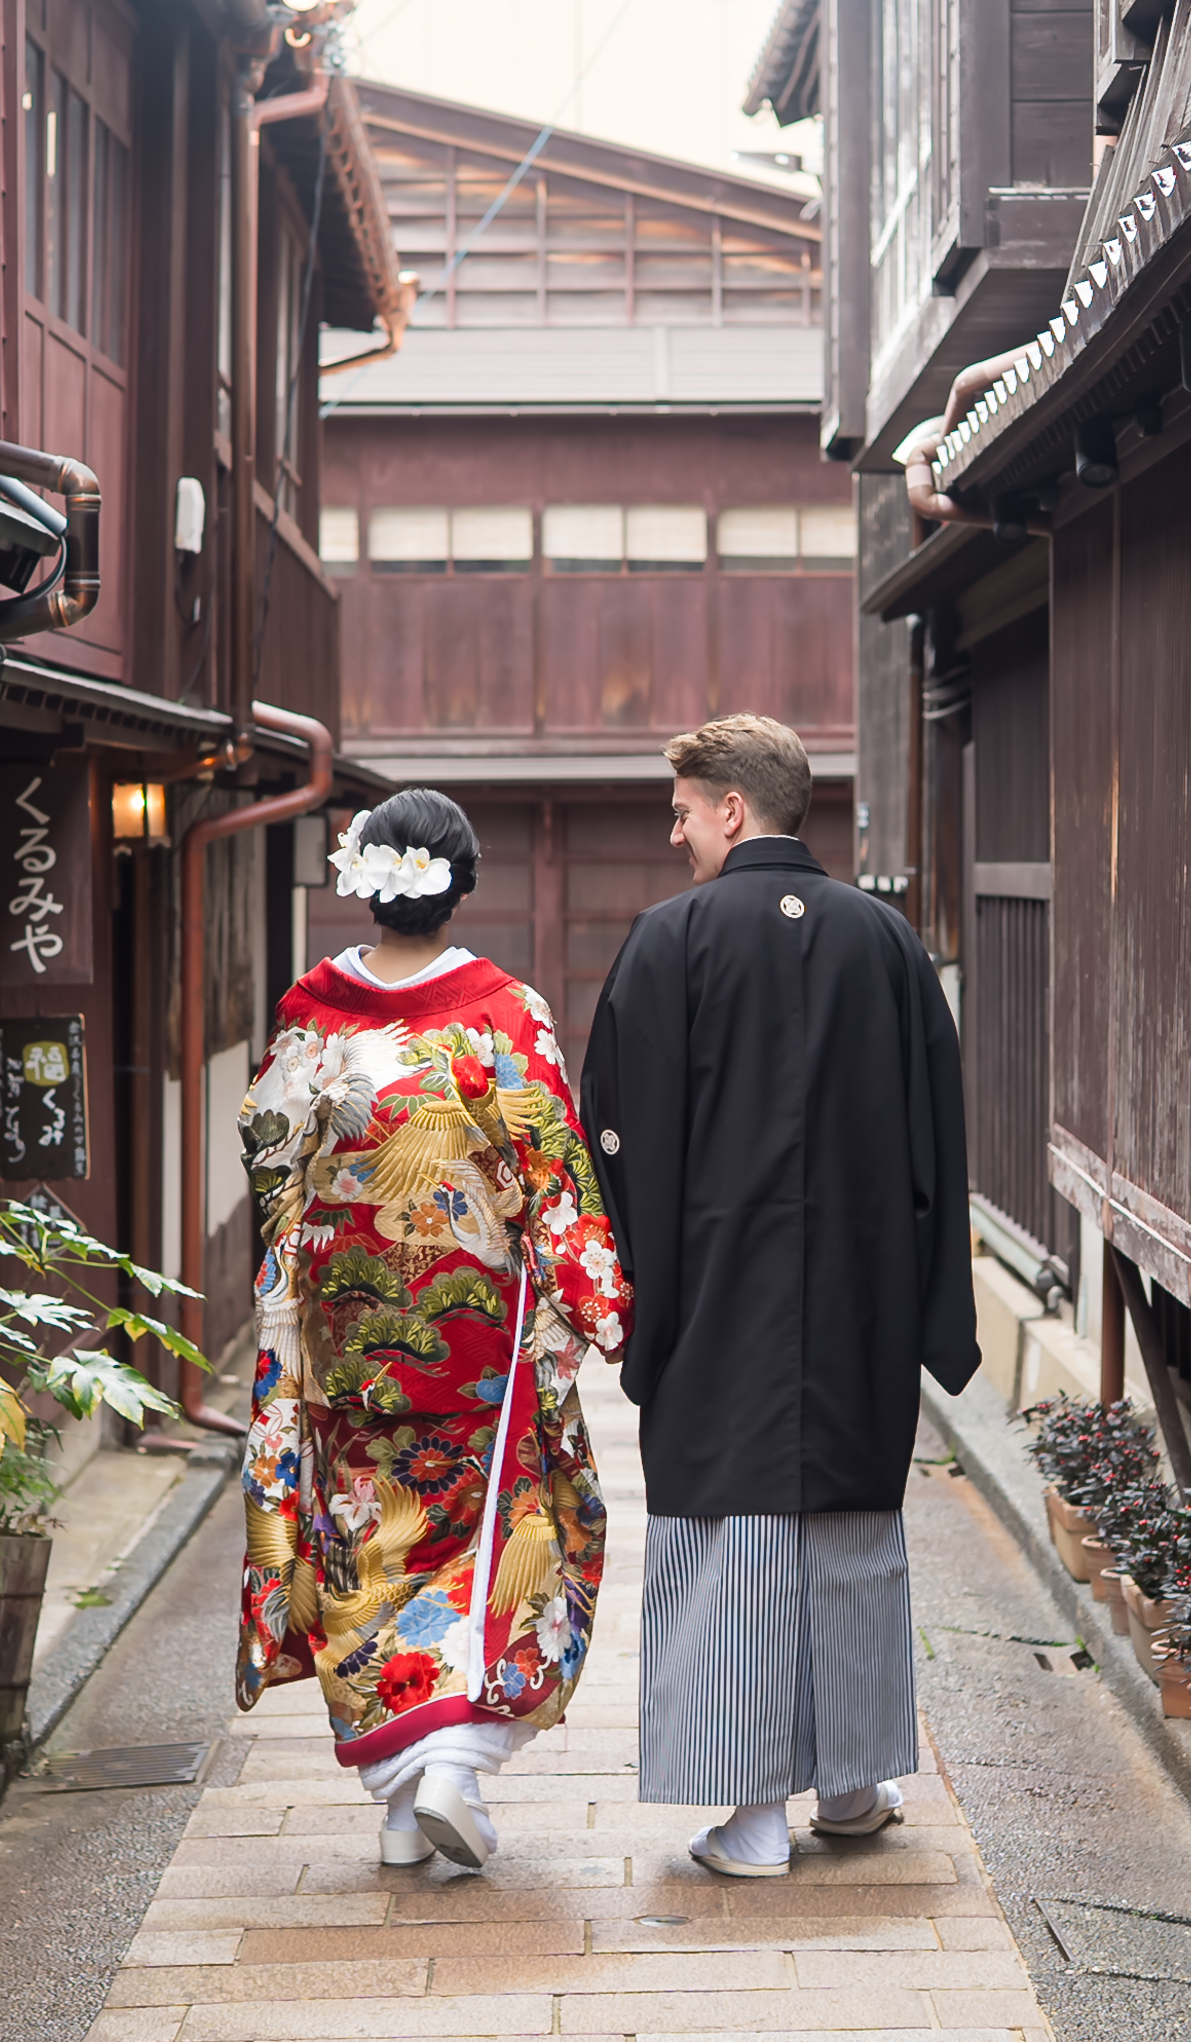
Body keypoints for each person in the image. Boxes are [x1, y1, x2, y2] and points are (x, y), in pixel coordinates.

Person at [580, 714, 977, 1878]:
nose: (676, 835)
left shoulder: (670, 942)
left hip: (715, 1298)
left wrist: (641, 1283)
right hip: (862, 1297)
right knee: (850, 1530)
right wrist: (928, 1301)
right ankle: (850, 1787)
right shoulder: (887, 942)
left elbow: (616, 1131)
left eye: (684, 813)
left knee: (733, 1541)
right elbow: (937, 1134)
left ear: (732, 808)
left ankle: (753, 1817)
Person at [233, 788, 631, 1872]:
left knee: (367, 1539)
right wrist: (600, 1302)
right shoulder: (502, 1013)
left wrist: (313, 1274)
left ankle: (405, 1811)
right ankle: (452, 1763)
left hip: (339, 1339)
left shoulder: (313, 1016)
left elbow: (269, 1159)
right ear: (461, 886)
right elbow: (554, 1172)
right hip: (474, 1341)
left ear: (365, 885)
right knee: (489, 1537)